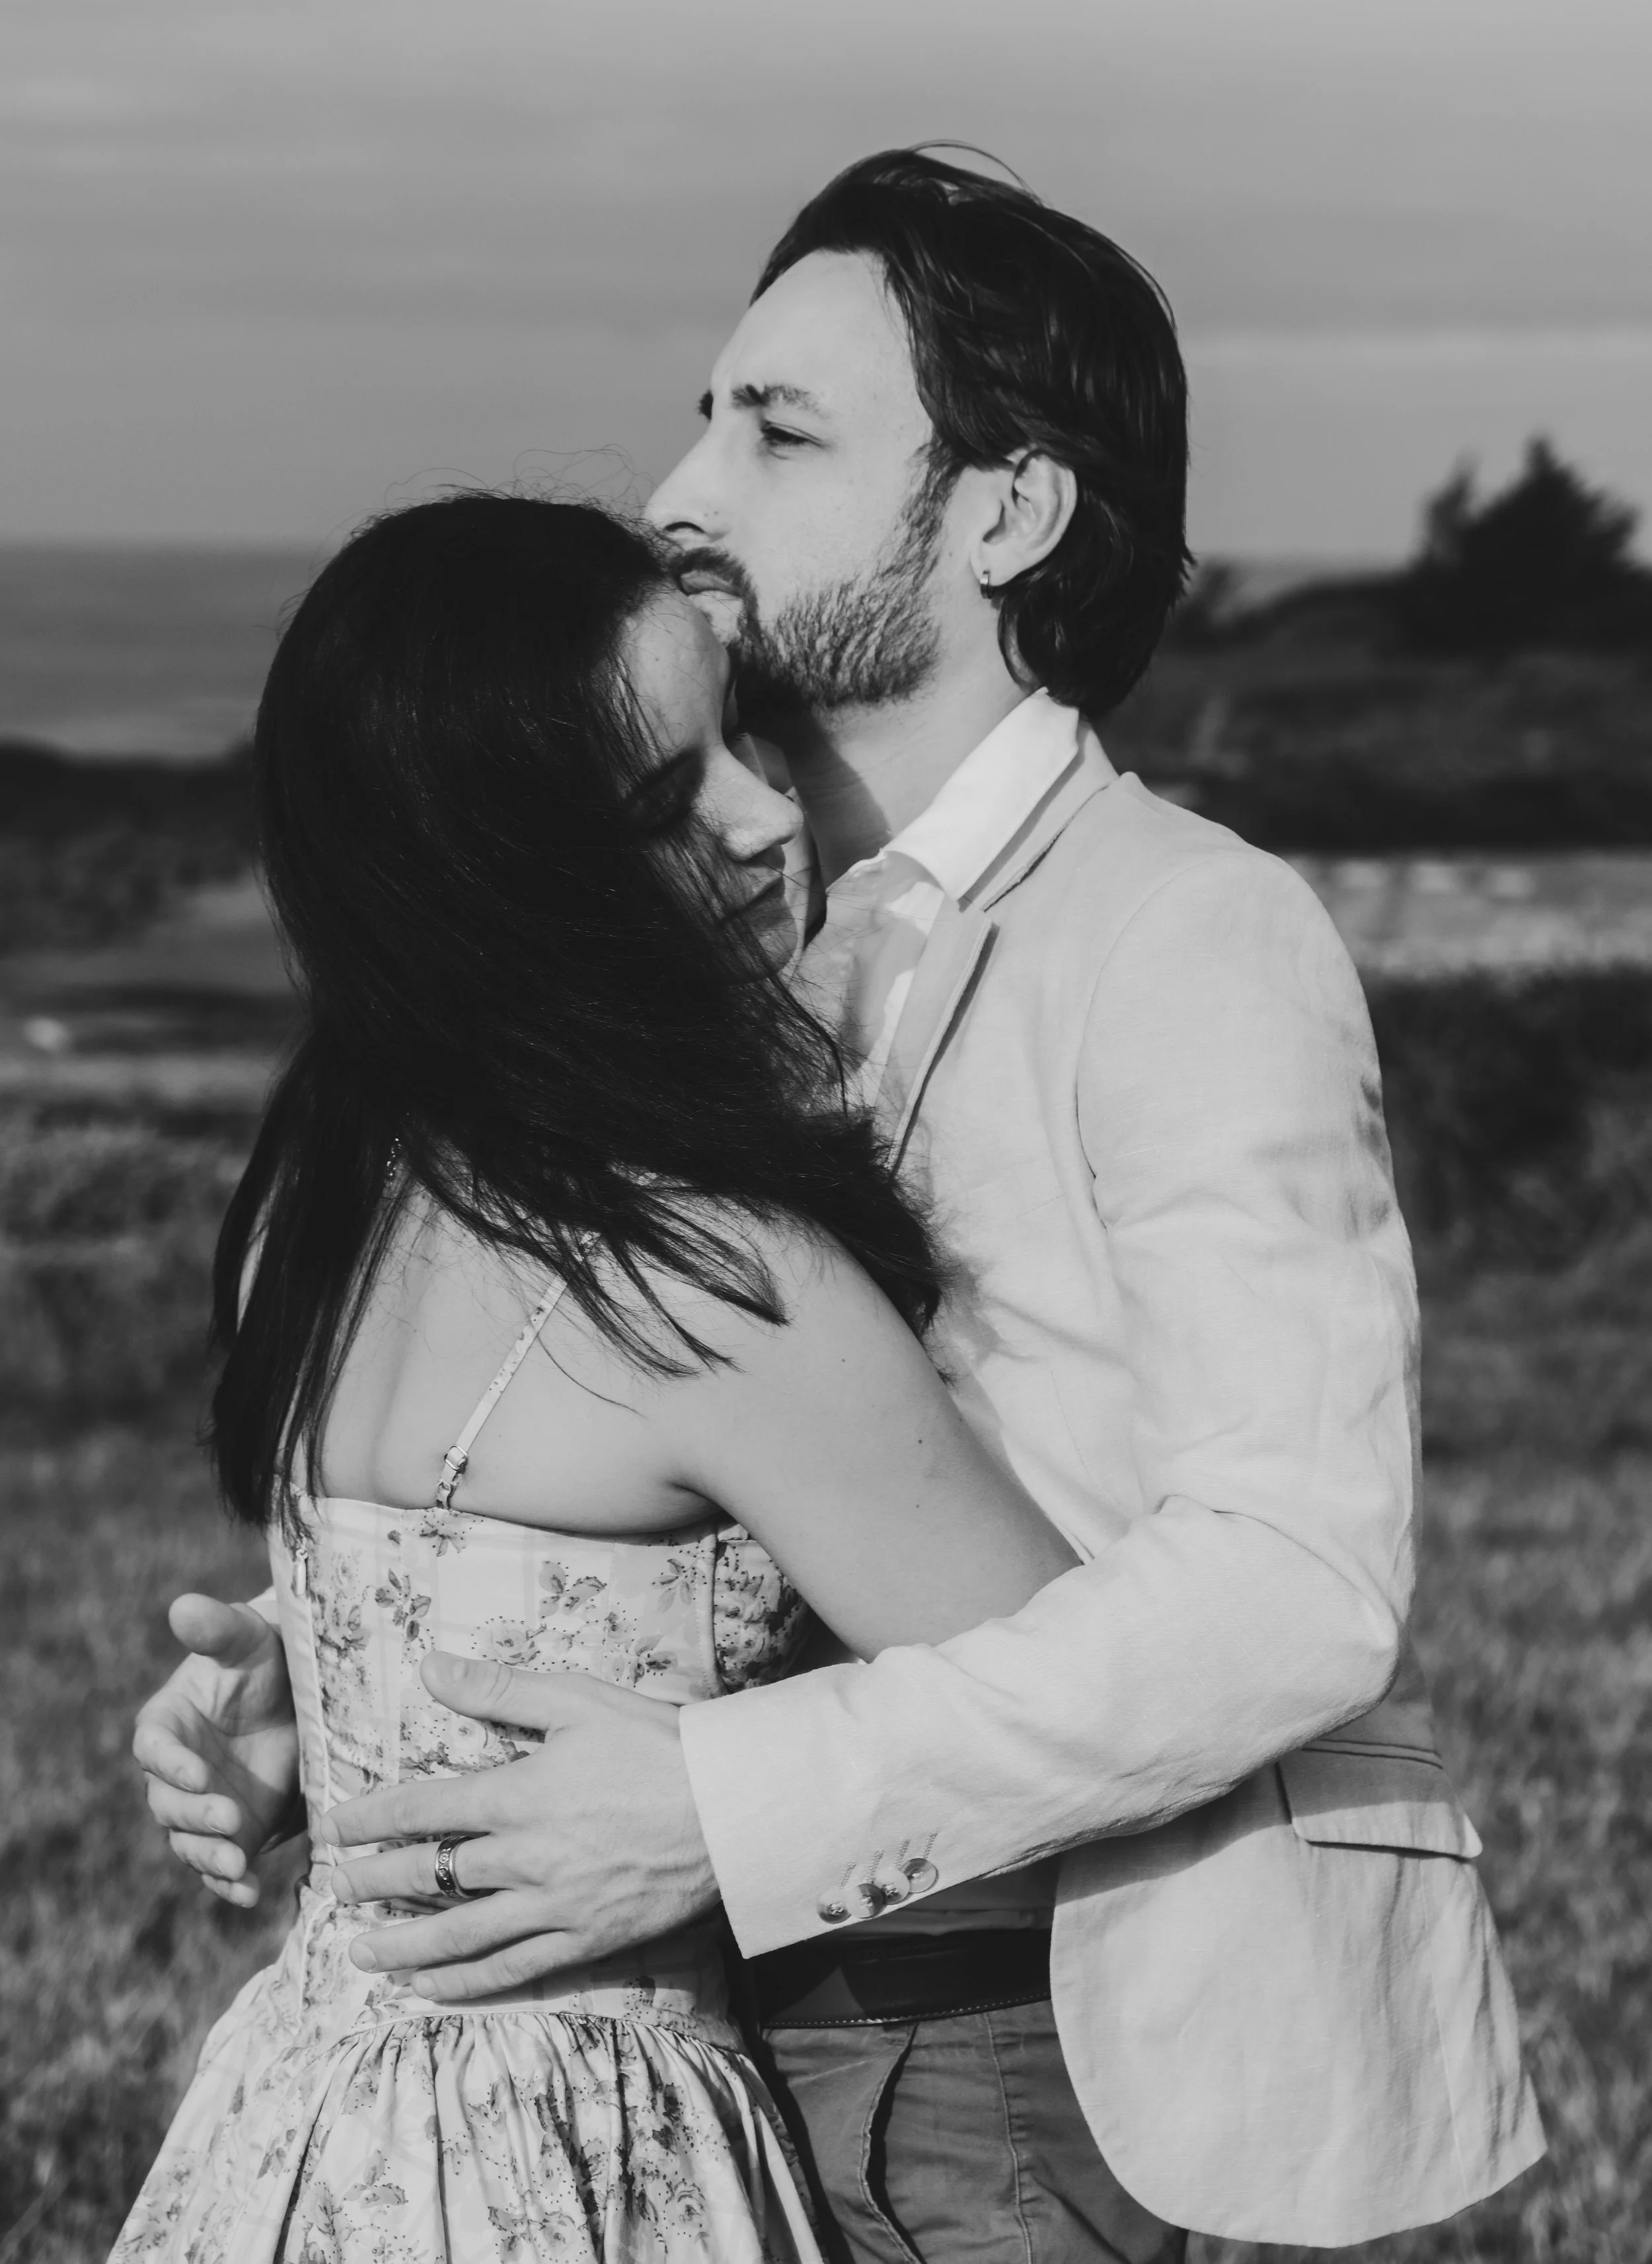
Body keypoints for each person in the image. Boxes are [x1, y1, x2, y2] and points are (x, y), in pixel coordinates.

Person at [136, 153, 1546, 2259]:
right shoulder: (683, 902)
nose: (686, 484)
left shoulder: (1188, 935)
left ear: (1001, 513)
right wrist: (366, 1696)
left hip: (1026, 2036)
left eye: (778, 429)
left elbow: (1293, 1588)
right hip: (672, 2038)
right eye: (706, 407)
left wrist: (713, 1808)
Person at [114, 491, 1078, 2264]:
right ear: (504, 884)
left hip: (306, 2127)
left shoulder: (320, 1194)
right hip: (585, 2159)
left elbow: (447, 1572)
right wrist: (734, 1812)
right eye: (662, 803)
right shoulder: (714, 1286)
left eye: (741, 728)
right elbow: (1097, 1717)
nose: (767, 812)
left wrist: (306, 1726)